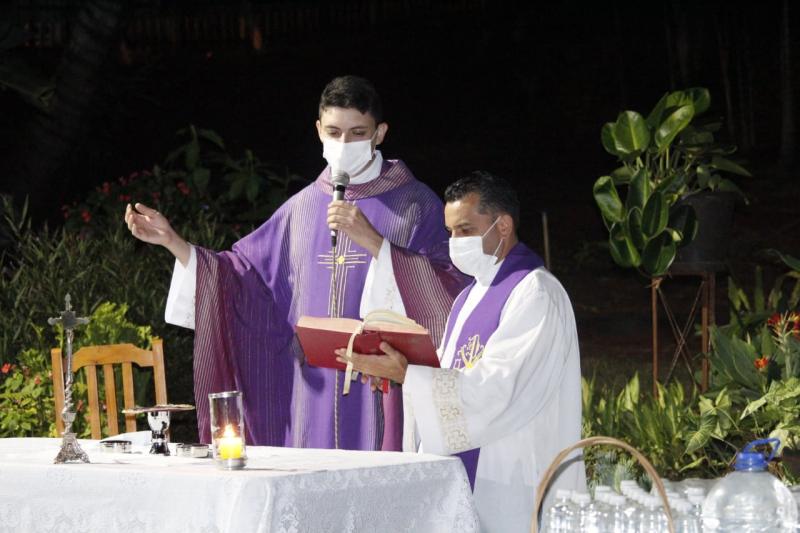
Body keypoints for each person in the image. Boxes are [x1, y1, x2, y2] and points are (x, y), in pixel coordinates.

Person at [124, 75, 467, 451]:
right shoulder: (301, 209)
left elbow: (450, 290)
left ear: (379, 133)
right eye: (334, 132)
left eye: (357, 133)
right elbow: (242, 277)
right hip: (311, 396)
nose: (344, 144)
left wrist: (377, 244)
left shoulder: (415, 205)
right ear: (318, 130)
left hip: (383, 392)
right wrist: (174, 243)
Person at [337, 171, 585, 531]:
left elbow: (499, 387)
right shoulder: (469, 296)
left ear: (503, 226)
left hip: (511, 472)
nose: (455, 242)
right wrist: (398, 373)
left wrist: (409, 374)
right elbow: (447, 369)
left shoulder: (536, 293)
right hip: (475, 471)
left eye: (466, 230)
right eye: (451, 231)